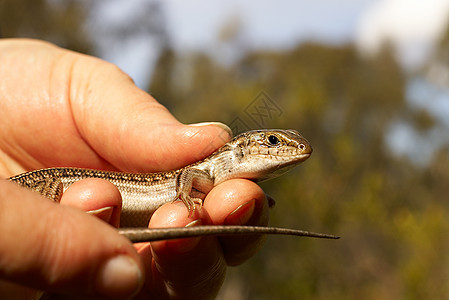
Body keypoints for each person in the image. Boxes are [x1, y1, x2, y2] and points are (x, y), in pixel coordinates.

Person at [0, 39, 269, 299]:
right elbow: (189, 178)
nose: (281, 148)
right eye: (272, 142)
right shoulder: (203, 171)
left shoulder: (217, 176)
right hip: (50, 180)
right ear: (243, 147)